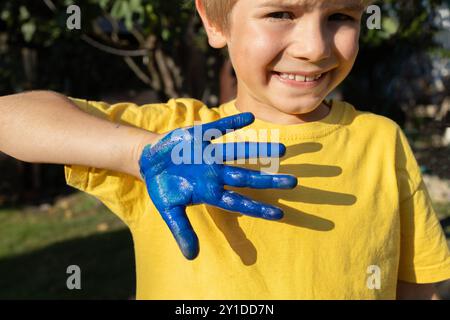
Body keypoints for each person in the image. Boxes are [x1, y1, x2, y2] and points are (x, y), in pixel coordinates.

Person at [0, 0, 449, 299]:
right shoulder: (174, 135)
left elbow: (421, 287)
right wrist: (140, 154)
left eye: (341, 17)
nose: (315, 47)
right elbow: (11, 117)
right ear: (216, 22)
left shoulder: (381, 141)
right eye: (280, 13)